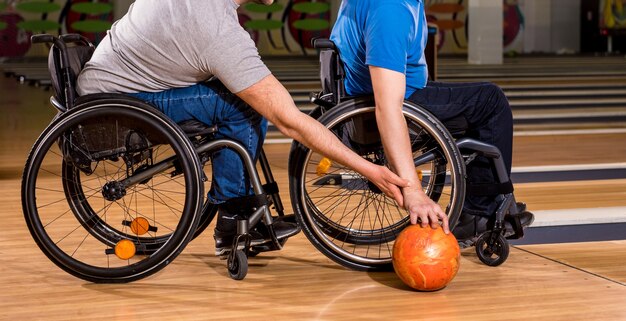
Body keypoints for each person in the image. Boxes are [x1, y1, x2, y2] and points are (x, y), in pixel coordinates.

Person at [76, 0, 442, 257]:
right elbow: (292, 122)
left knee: (238, 96)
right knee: (240, 108)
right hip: (116, 107)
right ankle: (232, 211)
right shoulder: (219, 34)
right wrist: (370, 169)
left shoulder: (216, 20)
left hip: (101, 83)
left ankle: (239, 197)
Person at [329, 0, 534, 246]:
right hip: (390, 107)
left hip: (386, 95)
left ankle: (481, 200)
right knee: (490, 101)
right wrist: (413, 188)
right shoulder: (390, 9)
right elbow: (388, 108)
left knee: (475, 98)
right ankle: (478, 213)